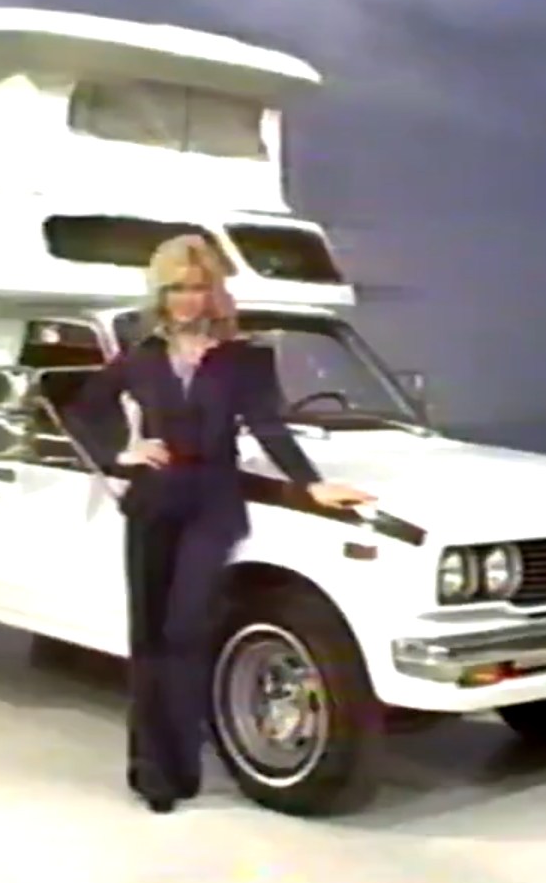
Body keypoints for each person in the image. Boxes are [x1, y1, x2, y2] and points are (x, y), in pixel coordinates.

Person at [63, 234, 375, 813]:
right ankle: (156, 776)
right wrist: (119, 455)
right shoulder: (143, 353)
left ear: (215, 292)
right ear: (161, 293)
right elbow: (85, 406)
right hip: (154, 503)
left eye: (198, 287)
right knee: (150, 637)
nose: (187, 299)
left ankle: (183, 763)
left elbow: (269, 427)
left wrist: (311, 483)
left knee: (185, 633)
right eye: (176, 288)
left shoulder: (246, 357)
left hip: (212, 502)